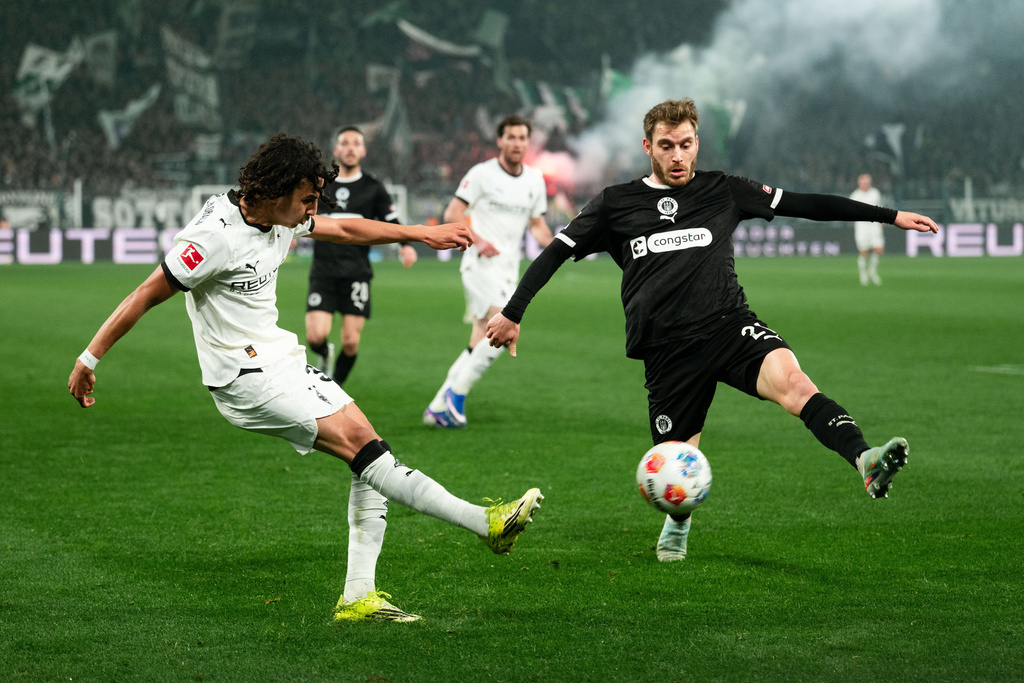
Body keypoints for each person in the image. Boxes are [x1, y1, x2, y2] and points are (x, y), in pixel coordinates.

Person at [68, 134, 543, 622]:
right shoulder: (214, 238)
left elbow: (346, 229)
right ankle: (484, 523)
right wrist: (89, 359)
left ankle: (359, 596)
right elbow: (145, 294)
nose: (313, 209)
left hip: (280, 358)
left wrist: (419, 233)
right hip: (243, 377)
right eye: (308, 199)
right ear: (277, 191)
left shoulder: (279, 215)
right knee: (367, 450)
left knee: (371, 449)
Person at [486, 99, 938, 563]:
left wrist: (889, 216)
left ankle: (865, 460)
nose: (678, 155)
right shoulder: (616, 204)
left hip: (729, 326)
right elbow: (555, 252)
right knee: (677, 464)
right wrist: (513, 312)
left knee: (795, 384)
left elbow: (805, 203)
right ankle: (677, 525)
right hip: (666, 352)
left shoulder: (725, 190)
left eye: (686, 144)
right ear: (648, 147)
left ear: (697, 142)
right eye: (666, 146)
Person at [423, 116, 554, 428]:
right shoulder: (481, 174)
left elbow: (537, 225)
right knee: (504, 328)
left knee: (480, 337)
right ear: (500, 141)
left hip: (509, 270)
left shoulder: (534, 181)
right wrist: (478, 240)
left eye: (522, 137)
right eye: (511, 137)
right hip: (479, 264)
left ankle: (437, 406)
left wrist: (561, 246)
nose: (517, 143)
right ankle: (456, 396)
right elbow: (453, 213)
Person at [306, 126, 418, 386]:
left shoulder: (373, 187)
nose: (350, 148)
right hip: (323, 270)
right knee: (315, 337)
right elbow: (302, 213)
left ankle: (333, 389)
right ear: (335, 150)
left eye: (356, 143)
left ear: (363, 151)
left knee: (351, 341)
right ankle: (324, 353)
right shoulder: (321, 184)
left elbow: (391, 220)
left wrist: (406, 244)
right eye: (344, 143)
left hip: (356, 271)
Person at [850, 173, 885, 285]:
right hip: (862, 227)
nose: (865, 184)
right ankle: (863, 274)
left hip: (874, 225)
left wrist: (882, 219)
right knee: (864, 251)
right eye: (863, 182)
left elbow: (880, 207)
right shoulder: (855, 196)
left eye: (867, 182)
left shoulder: (875, 193)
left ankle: (872, 272)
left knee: (879, 249)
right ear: (859, 183)